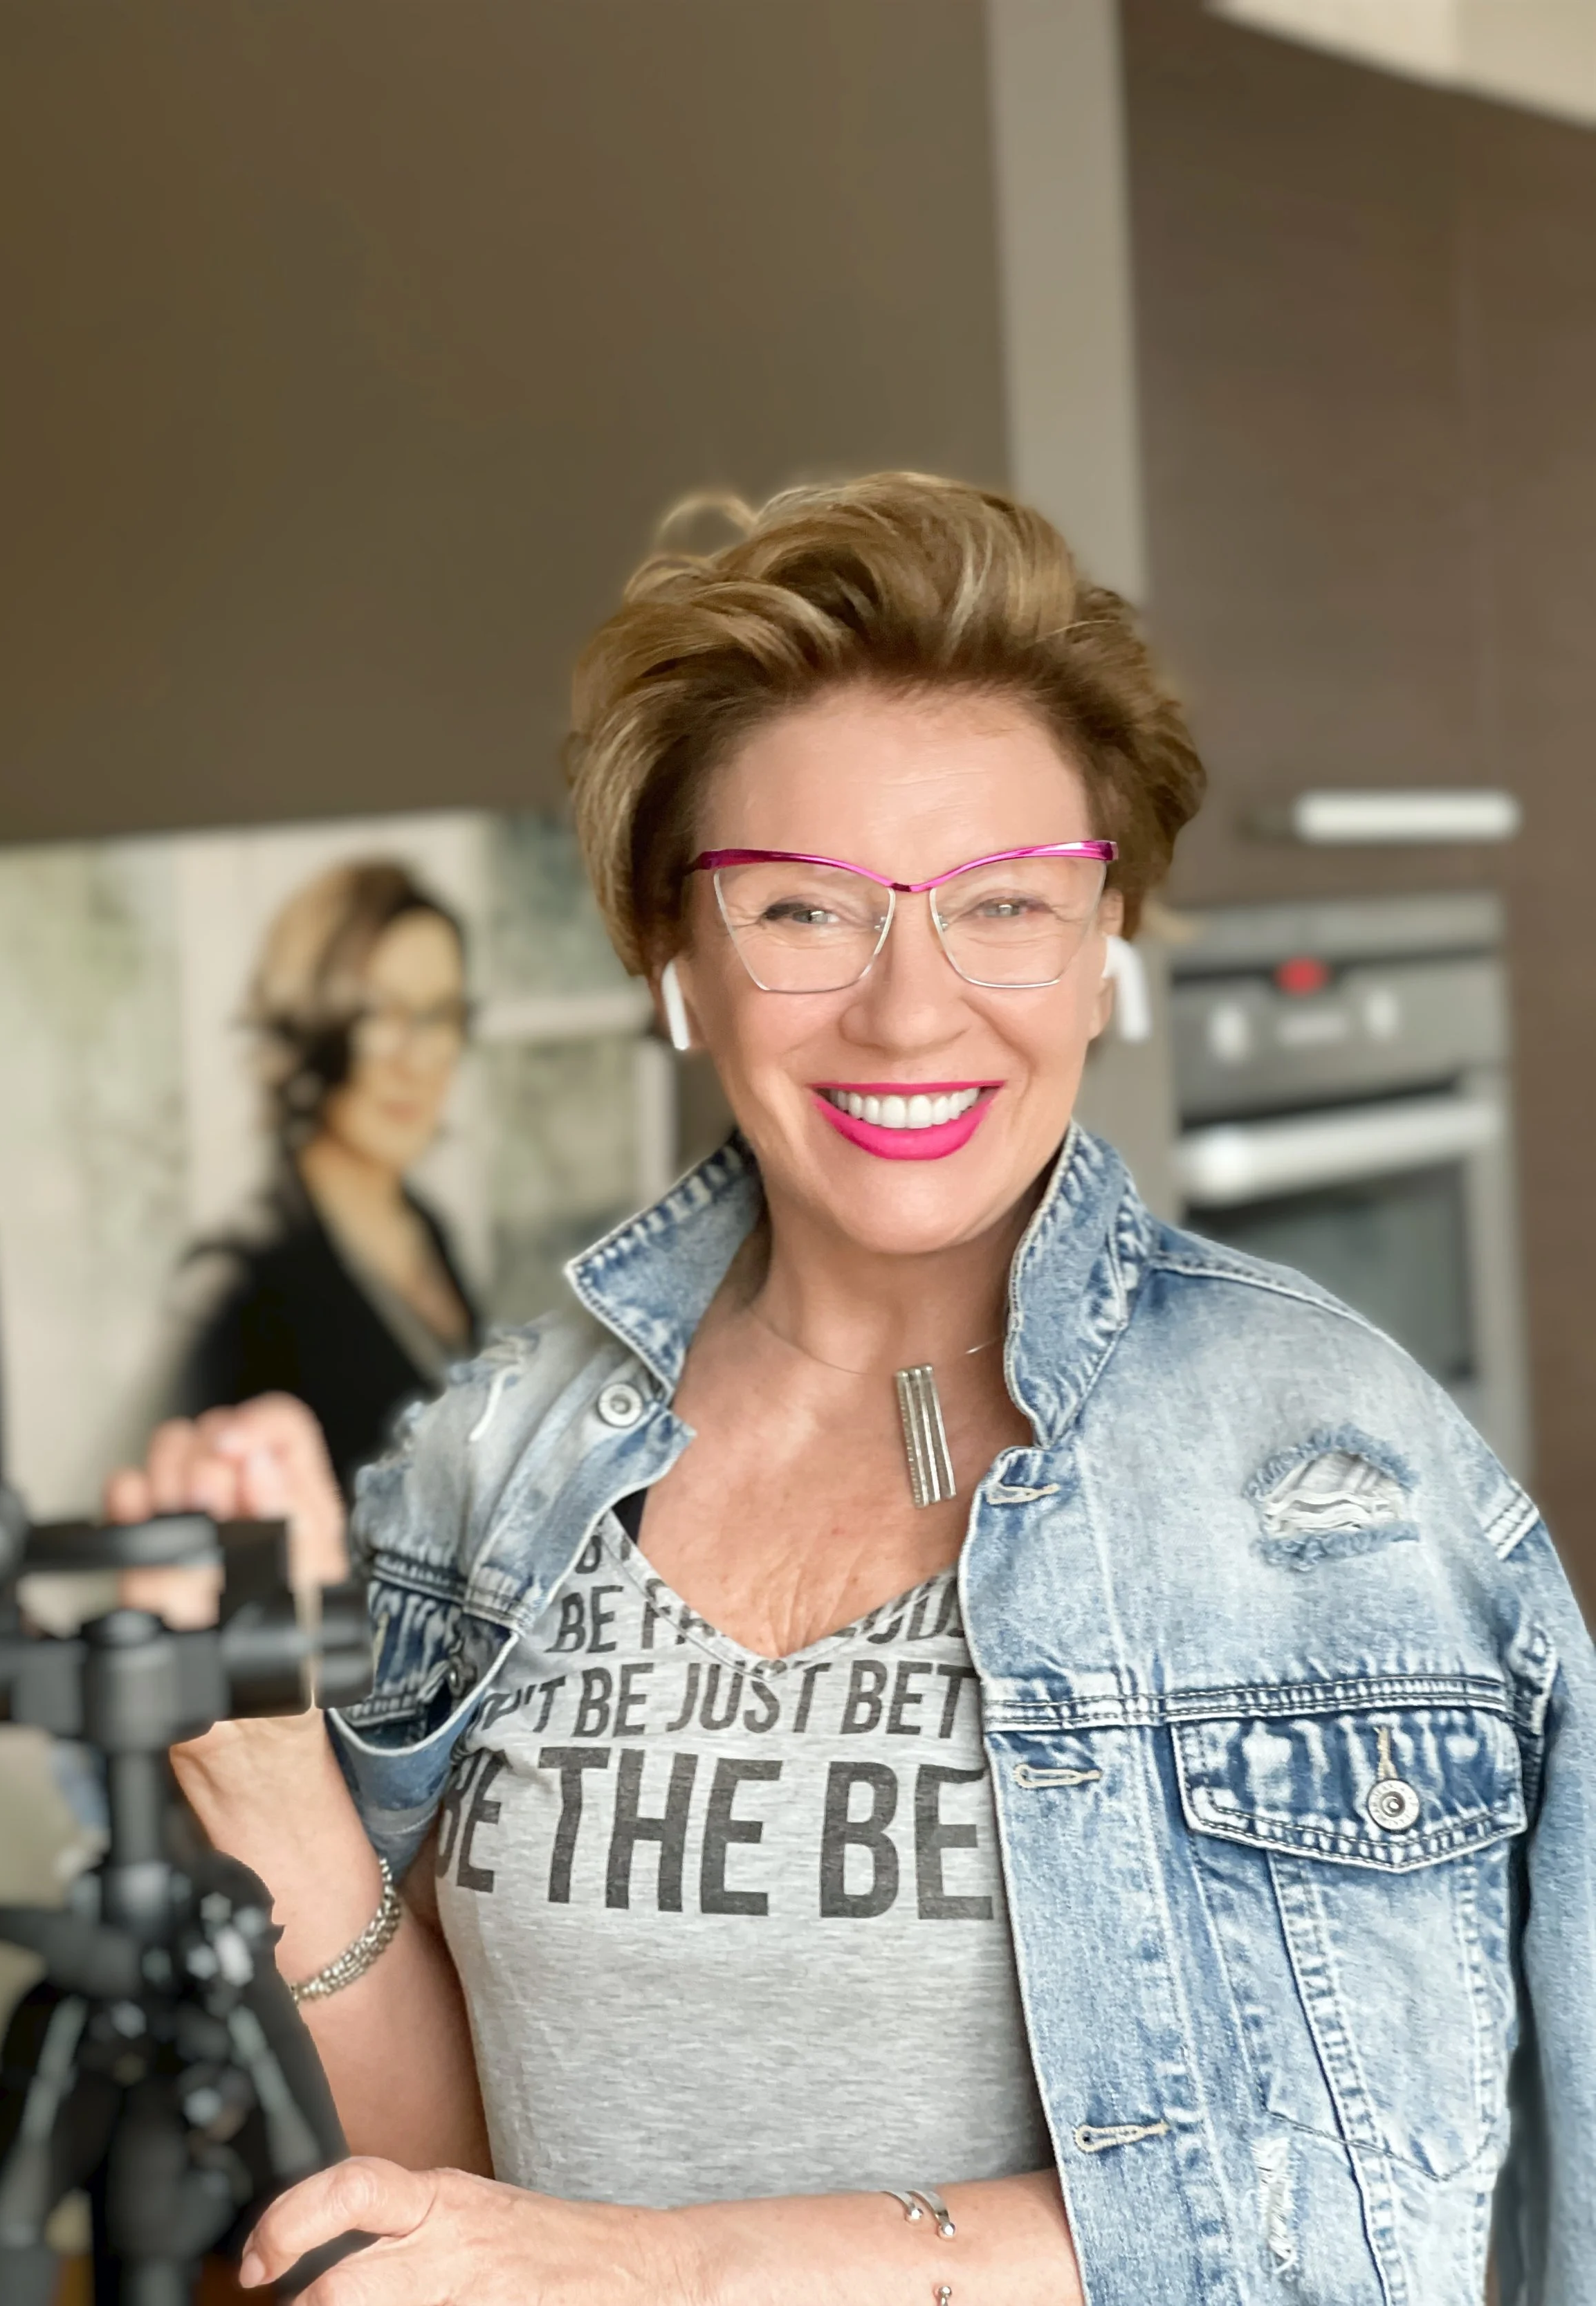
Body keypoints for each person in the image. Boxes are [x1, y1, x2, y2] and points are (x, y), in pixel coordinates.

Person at [111, 474, 1595, 2304]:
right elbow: (442, 2205)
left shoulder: (1317, 1478)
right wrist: (260, 1761)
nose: (907, 1011)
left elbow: (1355, 2235)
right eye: (804, 910)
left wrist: (663, 2272)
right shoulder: (499, 1452)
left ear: (1105, 937)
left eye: (1003, 904)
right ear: (673, 950)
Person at [169, 859, 479, 1488]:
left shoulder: (427, 1228)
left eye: (439, 1014)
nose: (417, 1058)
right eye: (380, 1014)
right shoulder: (241, 1284)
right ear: (314, 1025)